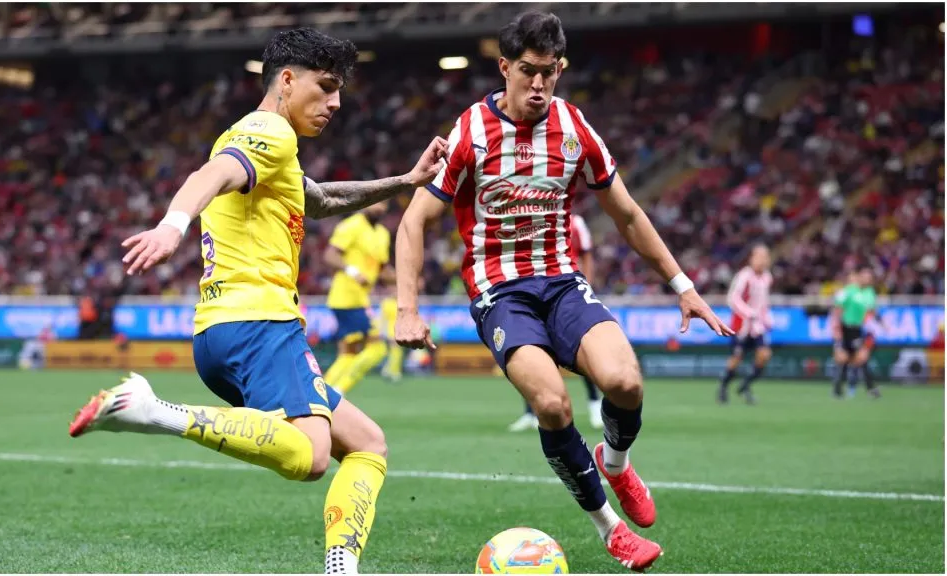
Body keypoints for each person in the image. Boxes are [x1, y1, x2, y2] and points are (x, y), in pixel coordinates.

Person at [66, 28, 447, 575]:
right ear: (287, 81)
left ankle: (341, 564)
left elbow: (319, 199)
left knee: (366, 444)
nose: (336, 103)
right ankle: (153, 411)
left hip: (224, 331)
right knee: (313, 456)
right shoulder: (269, 131)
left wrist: (407, 180)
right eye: (326, 87)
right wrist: (173, 225)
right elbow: (213, 174)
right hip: (260, 322)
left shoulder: (268, 147)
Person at [394, 12, 732, 572]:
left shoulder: (574, 128)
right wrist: (408, 309)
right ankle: (612, 531)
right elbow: (413, 222)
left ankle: (617, 463)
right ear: (504, 67)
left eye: (549, 72)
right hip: (500, 293)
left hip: (562, 283)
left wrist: (683, 286)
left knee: (624, 381)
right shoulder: (470, 133)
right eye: (527, 71)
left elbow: (625, 212)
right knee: (551, 403)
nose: (538, 85)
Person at [509, 213, 603, 430]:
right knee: (533, 351)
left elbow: (586, 255)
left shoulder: (576, 222)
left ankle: (594, 403)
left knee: (580, 350)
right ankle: (531, 412)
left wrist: (586, 285)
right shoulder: (531, 219)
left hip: (569, 294)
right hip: (537, 293)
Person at [323, 201, 394, 394]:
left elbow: (383, 269)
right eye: (375, 202)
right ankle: (338, 391)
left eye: (383, 203)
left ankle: (321, 392)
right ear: (365, 203)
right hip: (346, 297)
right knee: (377, 348)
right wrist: (353, 271)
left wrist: (407, 279)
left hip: (360, 299)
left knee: (348, 353)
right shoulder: (351, 225)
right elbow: (330, 255)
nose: (379, 207)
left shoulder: (383, 234)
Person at [717, 244, 773, 405]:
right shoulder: (744, 276)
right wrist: (749, 313)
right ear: (752, 258)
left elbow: (763, 302)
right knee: (736, 358)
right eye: (759, 257)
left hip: (757, 327)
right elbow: (733, 298)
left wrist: (767, 317)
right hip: (741, 325)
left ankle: (745, 385)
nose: (763, 260)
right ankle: (723, 386)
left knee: (764, 355)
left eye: (765, 257)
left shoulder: (767, 277)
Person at [832, 266, 883, 399]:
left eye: (869, 277)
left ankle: (843, 389)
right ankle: (840, 389)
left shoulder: (868, 293)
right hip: (845, 328)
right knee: (846, 358)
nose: (866, 279)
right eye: (864, 276)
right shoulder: (849, 291)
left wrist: (881, 322)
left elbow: (871, 310)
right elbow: (838, 308)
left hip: (857, 329)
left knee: (859, 358)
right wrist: (836, 329)